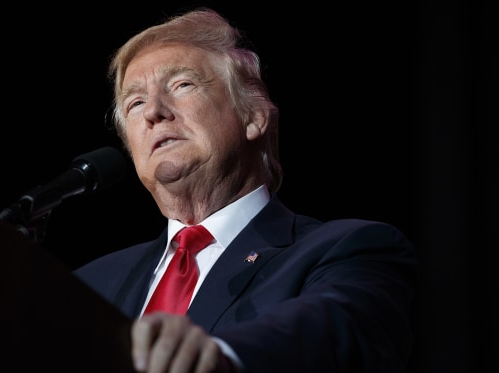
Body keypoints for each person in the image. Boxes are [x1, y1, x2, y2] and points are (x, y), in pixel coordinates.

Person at [74, 7, 418, 373]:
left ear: (253, 116)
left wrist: (218, 355)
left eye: (182, 85)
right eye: (135, 102)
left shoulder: (347, 249)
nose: (153, 112)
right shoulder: (87, 285)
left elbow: (336, 327)